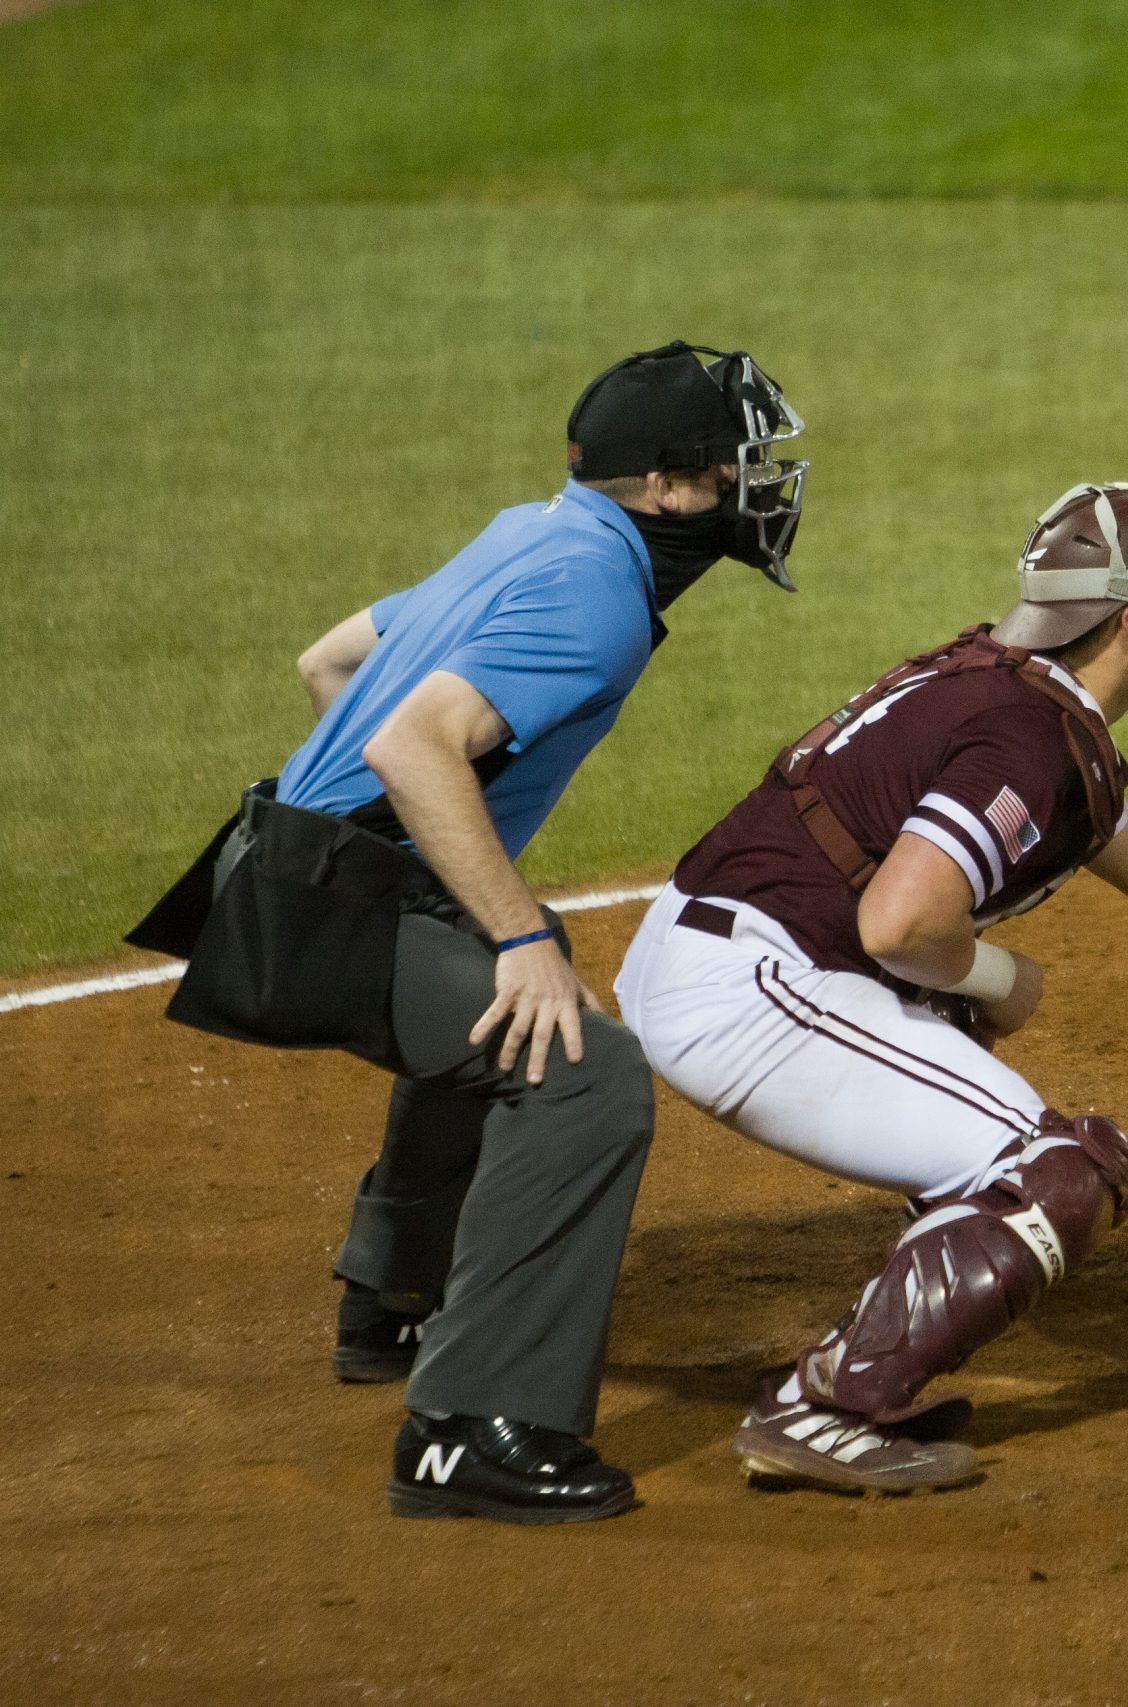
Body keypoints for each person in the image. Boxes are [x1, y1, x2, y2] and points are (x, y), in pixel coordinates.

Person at [614, 482, 1128, 1493]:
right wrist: (1001, 978)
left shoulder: (1016, 694)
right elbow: (902, 924)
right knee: (1053, 1174)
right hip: (751, 986)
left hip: (728, 952)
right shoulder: (1027, 737)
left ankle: (868, 1344)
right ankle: (824, 1406)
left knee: (1039, 1136)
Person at [132, 341, 811, 1522]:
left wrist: (417, 874)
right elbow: (406, 745)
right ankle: (469, 1432)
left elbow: (332, 659)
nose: (754, 488)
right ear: (663, 487)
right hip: (308, 904)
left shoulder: (537, 530)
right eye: (731, 468)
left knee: (501, 1013)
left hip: (288, 866)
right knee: (579, 1071)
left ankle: (390, 1301)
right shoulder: (599, 595)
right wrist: (509, 929)